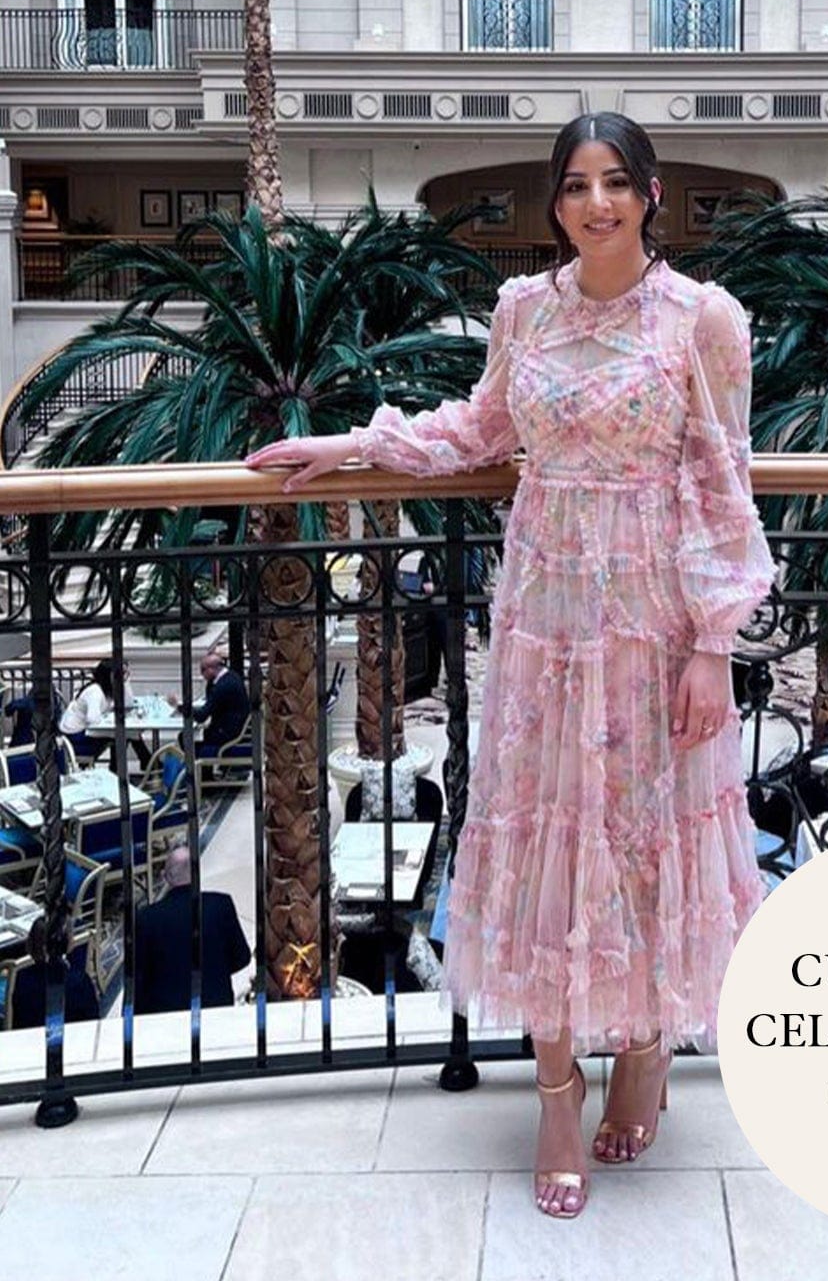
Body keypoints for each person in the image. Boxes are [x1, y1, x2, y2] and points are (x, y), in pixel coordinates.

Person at [245, 112, 775, 1221]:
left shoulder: (703, 317)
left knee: (644, 833)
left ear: (651, 194)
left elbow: (723, 480)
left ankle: (644, 1047)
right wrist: (351, 445)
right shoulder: (523, 308)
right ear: (555, 202)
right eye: (576, 185)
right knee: (549, 839)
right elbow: (480, 428)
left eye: (615, 182)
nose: (596, 203)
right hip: (544, 616)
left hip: (654, 618)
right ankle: (555, 1094)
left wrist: (711, 646)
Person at [132, 842, 252, 1015]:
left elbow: (139, 978)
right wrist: (214, 971)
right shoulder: (221, 905)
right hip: (215, 1008)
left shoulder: (146, 918)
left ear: (165, 877)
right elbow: (241, 958)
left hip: (165, 1014)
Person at [8, 916, 99, 1030]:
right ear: (68, 943)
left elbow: (18, 1022)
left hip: (31, 1039)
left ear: (30, 943)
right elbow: (93, 1023)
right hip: (75, 1039)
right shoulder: (80, 981)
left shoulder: (21, 979)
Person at [173, 651, 250, 757]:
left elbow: (202, 716)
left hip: (227, 735)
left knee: (184, 736)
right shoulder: (232, 676)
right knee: (194, 734)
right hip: (234, 729)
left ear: (210, 669)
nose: (202, 675)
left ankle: (197, 764)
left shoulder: (222, 687)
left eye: (202, 670)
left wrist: (179, 706)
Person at [58, 658, 129, 764]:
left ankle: (141, 761)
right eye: (121, 674)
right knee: (123, 735)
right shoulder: (95, 692)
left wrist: (126, 683)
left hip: (80, 733)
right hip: (74, 739)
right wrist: (109, 721)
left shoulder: (107, 689)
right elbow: (93, 720)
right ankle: (118, 768)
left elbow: (128, 702)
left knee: (127, 733)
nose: (123, 677)